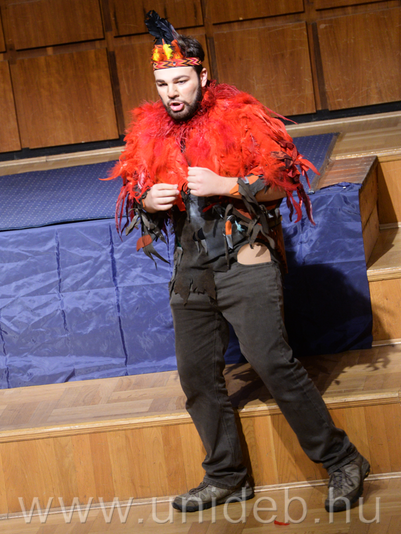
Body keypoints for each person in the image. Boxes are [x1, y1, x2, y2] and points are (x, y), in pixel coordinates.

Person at [109, 12, 368, 513]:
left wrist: (226, 185)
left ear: (202, 75)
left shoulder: (240, 117)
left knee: (271, 362)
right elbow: (135, 188)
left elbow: (282, 183)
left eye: (181, 81)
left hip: (244, 257)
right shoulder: (150, 132)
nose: (171, 93)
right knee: (196, 378)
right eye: (162, 85)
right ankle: (227, 475)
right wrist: (148, 202)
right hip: (191, 267)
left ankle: (343, 460)